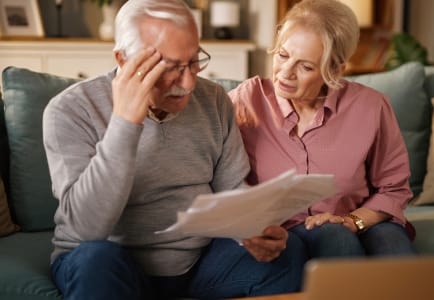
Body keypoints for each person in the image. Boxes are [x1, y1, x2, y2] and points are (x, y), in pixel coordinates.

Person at [42, 1, 306, 299]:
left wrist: (251, 231)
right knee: (96, 261)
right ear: (123, 59)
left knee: (288, 252)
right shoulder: (71, 110)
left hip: (199, 262)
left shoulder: (215, 100)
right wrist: (125, 123)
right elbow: (87, 229)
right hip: (110, 259)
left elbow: (231, 190)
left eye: (194, 62)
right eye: (170, 68)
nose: (189, 82)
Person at [229, 0, 417, 259]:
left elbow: (393, 188)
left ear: (335, 70)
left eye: (305, 66)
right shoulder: (246, 100)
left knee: (394, 251)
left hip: (359, 220)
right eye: (283, 55)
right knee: (335, 238)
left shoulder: (371, 106)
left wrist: (352, 221)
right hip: (286, 231)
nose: (285, 72)